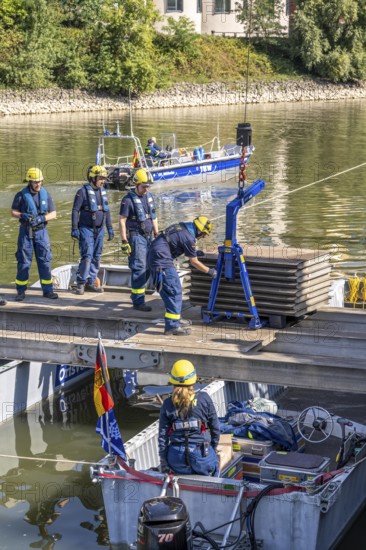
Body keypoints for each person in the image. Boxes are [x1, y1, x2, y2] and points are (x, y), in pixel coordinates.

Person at [147, 215, 216, 336]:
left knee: (168, 292)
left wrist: (192, 252)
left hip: (154, 256)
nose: (202, 237)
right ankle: (172, 326)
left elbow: (176, 242)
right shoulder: (189, 238)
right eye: (203, 234)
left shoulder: (183, 226)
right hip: (161, 261)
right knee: (174, 292)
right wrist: (210, 271)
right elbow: (194, 262)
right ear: (199, 230)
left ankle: (175, 319)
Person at [158, 359, 220, 476]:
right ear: (193, 378)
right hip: (201, 454)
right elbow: (215, 428)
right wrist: (213, 448)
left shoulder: (167, 404)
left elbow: (162, 437)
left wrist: (164, 460)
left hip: (176, 456)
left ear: (172, 379)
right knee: (215, 467)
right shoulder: (204, 398)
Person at [11, 167, 58, 302]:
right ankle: (20, 291)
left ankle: (48, 291)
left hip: (42, 232)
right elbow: (13, 212)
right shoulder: (21, 195)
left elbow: (53, 214)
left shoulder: (46, 194)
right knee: (24, 262)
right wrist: (23, 215)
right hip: (26, 232)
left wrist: (42, 219)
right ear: (29, 182)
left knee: (45, 261)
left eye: (40, 181)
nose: (38, 184)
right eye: (35, 182)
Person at [119, 168, 158, 311]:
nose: (146, 189)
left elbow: (153, 217)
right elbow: (122, 221)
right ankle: (138, 301)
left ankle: (139, 296)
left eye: (148, 186)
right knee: (139, 268)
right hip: (136, 237)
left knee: (149, 266)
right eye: (144, 187)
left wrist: (156, 233)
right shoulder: (128, 200)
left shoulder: (149, 197)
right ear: (136, 185)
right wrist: (124, 241)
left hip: (149, 237)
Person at [71, 165, 114, 295]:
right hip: (86, 228)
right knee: (87, 255)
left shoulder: (103, 191)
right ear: (93, 178)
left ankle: (91, 281)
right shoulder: (82, 192)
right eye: (101, 178)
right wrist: (74, 227)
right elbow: (75, 210)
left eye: (104, 179)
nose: (103, 181)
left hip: (100, 229)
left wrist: (110, 228)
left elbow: (106, 211)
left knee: (97, 256)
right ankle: (81, 282)